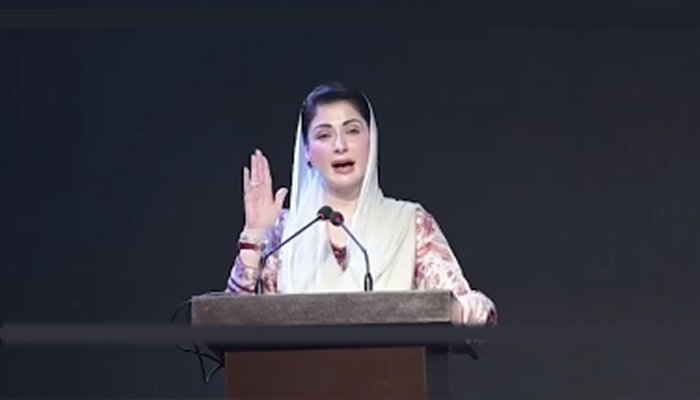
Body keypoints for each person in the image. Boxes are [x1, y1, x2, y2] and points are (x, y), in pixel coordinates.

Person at [224, 82, 497, 326]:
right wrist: (254, 235)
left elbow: (468, 307)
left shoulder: (410, 223)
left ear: (371, 141)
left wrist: (468, 311)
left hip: (395, 368)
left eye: (352, 131)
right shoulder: (284, 230)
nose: (340, 145)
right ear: (307, 151)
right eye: (324, 135)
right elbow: (229, 323)